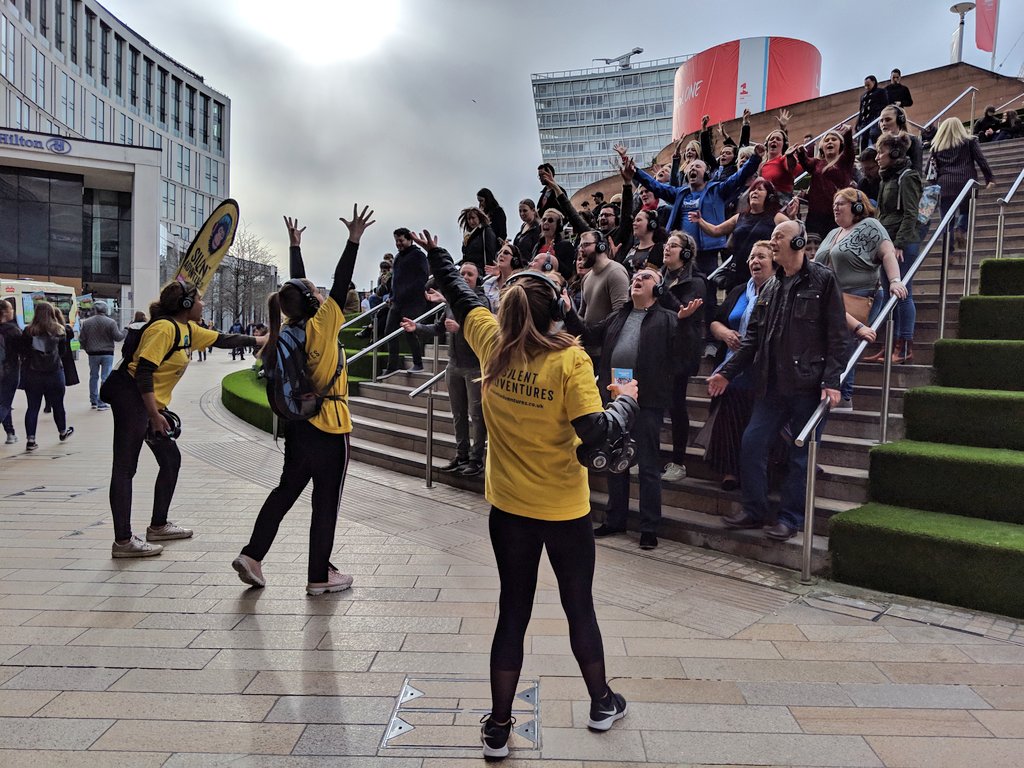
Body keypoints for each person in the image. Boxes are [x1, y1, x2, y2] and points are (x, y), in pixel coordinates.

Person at [415, 228, 636, 760]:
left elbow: (461, 294)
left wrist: (438, 254)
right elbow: (595, 431)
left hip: (509, 510)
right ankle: (602, 702)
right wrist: (625, 400)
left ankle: (497, 726)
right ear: (555, 314)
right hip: (564, 510)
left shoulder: (491, 343)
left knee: (511, 612)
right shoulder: (570, 361)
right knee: (578, 606)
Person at [233, 206, 373, 593]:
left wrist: (295, 247)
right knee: (326, 503)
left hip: (297, 427)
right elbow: (339, 279)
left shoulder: (287, 331)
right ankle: (318, 577)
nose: (322, 293)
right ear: (314, 302)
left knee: (285, 493)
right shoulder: (323, 324)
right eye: (317, 293)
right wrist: (353, 240)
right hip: (330, 427)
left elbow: (298, 287)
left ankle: (252, 555)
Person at [709, 220, 847, 541]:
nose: (772, 243)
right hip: (770, 387)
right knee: (751, 443)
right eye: (771, 237)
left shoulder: (823, 280)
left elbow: (838, 336)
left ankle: (789, 518)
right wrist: (726, 373)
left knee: (800, 457)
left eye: (778, 237)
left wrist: (832, 381)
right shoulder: (770, 287)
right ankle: (754, 510)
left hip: (808, 386)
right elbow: (752, 340)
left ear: (798, 244)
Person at [104, 280, 261, 557]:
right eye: (199, 300)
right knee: (125, 467)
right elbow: (142, 372)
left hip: (148, 404)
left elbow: (223, 340)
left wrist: (260, 340)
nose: (203, 304)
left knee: (170, 460)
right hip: (132, 399)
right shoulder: (164, 328)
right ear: (186, 304)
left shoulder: (186, 330)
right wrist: (154, 414)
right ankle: (123, 541)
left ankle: (158, 525)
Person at [566, 265, 700, 550]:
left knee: (649, 466)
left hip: (647, 402)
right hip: (615, 400)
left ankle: (649, 527)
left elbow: (686, 359)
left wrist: (687, 324)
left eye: (646, 277)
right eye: (635, 277)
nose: (637, 280)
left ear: (659, 288)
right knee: (615, 462)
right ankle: (615, 519)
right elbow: (590, 336)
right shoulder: (619, 316)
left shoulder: (668, 319)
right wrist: (568, 311)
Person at [815, 188, 907, 409]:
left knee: (846, 344)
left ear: (857, 207)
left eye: (842, 203)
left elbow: (887, 252)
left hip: (859, 295)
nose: (836, 207)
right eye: (834, 203)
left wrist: (895, 280)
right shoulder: (833, 233)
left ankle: (844, 395)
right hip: (831, 296)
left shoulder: (870, 226)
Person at [402, 261, 490, 477]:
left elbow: (486, 331)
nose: (466, 277)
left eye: (470, 274)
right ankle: (461, 455)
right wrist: (417, 327)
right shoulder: (453, 301)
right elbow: (439, 328)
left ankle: (477, 459)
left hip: (474, 366)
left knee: (477, 416)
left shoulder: (480, 301)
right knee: (458, 414)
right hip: (454, 364)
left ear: (477, 278)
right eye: (463, 274)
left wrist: (461, 328)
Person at [701, 242, 776, 490]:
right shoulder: (740, 291)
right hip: (733, 367)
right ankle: (730, 469)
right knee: (729, 415)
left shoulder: (779, 290)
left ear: (774, 261)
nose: (755, 261)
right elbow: (714, 321)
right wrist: (725, 334)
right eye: (752, 256)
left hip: (764, 368)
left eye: (762, 257)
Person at [659, 231, 707, 482]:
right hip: (656, 348)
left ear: (686, 253)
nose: (667, 249)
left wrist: (660, 291)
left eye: (674, 246)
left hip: (680, 352)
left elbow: (683, 313)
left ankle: (678, 461)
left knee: (676, 406)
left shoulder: (696, 282)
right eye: (667, 245)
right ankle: (650, 456)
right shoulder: (660, 276)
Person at [872, 134, 922, 365]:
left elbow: (910, 213)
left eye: (881, 152)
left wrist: (899, 244)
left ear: (894, 153)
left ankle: (904, 346)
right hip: (886, 243)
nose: (877, 156)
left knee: (903, 293)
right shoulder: (886, 179)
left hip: (902, 244)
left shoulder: (907, 177)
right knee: (887, 294)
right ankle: (889, 345)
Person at [690, 177, 791, 288]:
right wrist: (700, 221)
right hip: (738, 271)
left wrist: (793, 216)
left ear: (769, 196)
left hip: (764, 271)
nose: (754, 192)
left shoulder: (777, 217)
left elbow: (795, 232)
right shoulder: (739, 217)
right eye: (752, 190)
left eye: (759, 189)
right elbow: (716, 230)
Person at [930, 117, 995, 252]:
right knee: (966, 211)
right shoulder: (969, 142)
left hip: (945, 185)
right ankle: (961, 228)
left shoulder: (936, 147)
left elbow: (928, 170)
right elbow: (981, 160)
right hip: (966, 183)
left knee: (946, 220)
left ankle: (949, 251)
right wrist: (990, 178)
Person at [16, 301, 73, 452]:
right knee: (58, 405)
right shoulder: (60, 331)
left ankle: (31, 440)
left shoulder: (28, 331)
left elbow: (23, 351)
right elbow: (63, 352)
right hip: (54, 373)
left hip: (33, 374)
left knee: (33, 407)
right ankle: (62, 432)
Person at [380, 227, 430, 379]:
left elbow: (422, 278)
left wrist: (407, 293)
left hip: (413, 302)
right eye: (396, 241)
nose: (398, 244)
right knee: (389, 332)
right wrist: (392, 295)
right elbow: (396, 280)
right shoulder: (398, 257)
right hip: (397, 302)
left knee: (410, 332)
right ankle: (392, 366)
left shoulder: (418, 255)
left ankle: (418, 363)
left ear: (409, 239)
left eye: (401, 240)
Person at [795, 125, 855, 238]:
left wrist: (847, 134)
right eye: (826, 140)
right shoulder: (817, 163)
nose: (830, 142)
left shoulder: (845, 161)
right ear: (822, 146)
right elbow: (805, 162)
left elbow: (849, 149)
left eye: (834, 139)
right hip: (815, 214)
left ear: (840, 144)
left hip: (837, 214)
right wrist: (801, 152)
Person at [79, 300, 127, 410]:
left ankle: (93, 401)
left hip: (92, 353)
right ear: (105, 309)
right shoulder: (111, 322)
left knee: (93, 376)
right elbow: (118, 337)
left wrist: (87, 349)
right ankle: (102, 402)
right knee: (105, 377)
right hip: (107, 353)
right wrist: (125, 330)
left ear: (94, 309)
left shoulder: (86, 322)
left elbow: (82, 339)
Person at [529, 208, 575, 282]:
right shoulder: (537, 246)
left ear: (558, 226)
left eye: (550, 220)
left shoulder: (566, 246)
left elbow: (569, 274)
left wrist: (554, 259)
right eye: (544, 220)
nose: (546, 222)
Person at [0, 298, 22, 445]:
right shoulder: (13, 330)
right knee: (5, 402)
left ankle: (10, 433)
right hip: (9, 370)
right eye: (11, 309)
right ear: (6, 312)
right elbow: (23, 350)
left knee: (3, 402)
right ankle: (10, 433)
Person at [878, 105, 923, 172]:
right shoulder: (879, 143)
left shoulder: (912, 140)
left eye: (888, 120)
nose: (883, 123)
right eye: (881, 121)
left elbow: (917, 169)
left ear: (900, 120)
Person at [483, 241, 521, 310]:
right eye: (499, 252)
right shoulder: (488, 282)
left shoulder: (519, 284)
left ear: (515, 260)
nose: (500, 255)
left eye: (506, 253)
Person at [459, 206, 497, 271]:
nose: (471, 221)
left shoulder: (486, 231)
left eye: (473, 218)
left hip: (481, 271)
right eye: (469, 219)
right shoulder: (467, 236)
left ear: (479, 218)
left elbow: (490, 252)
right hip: (469, 270)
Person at [856, 75, 889, 151]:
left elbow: (885, 104)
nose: (867, 87)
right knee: (863, 137)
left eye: (868, 85)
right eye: (865, 86)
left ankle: (879, 150)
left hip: (875, 117)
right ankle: (863, 154)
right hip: (864, 120)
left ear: (873, 82)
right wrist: (858, 123)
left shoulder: (881, 92)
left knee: (874, 134)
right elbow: (861, 110)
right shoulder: (863, 96)